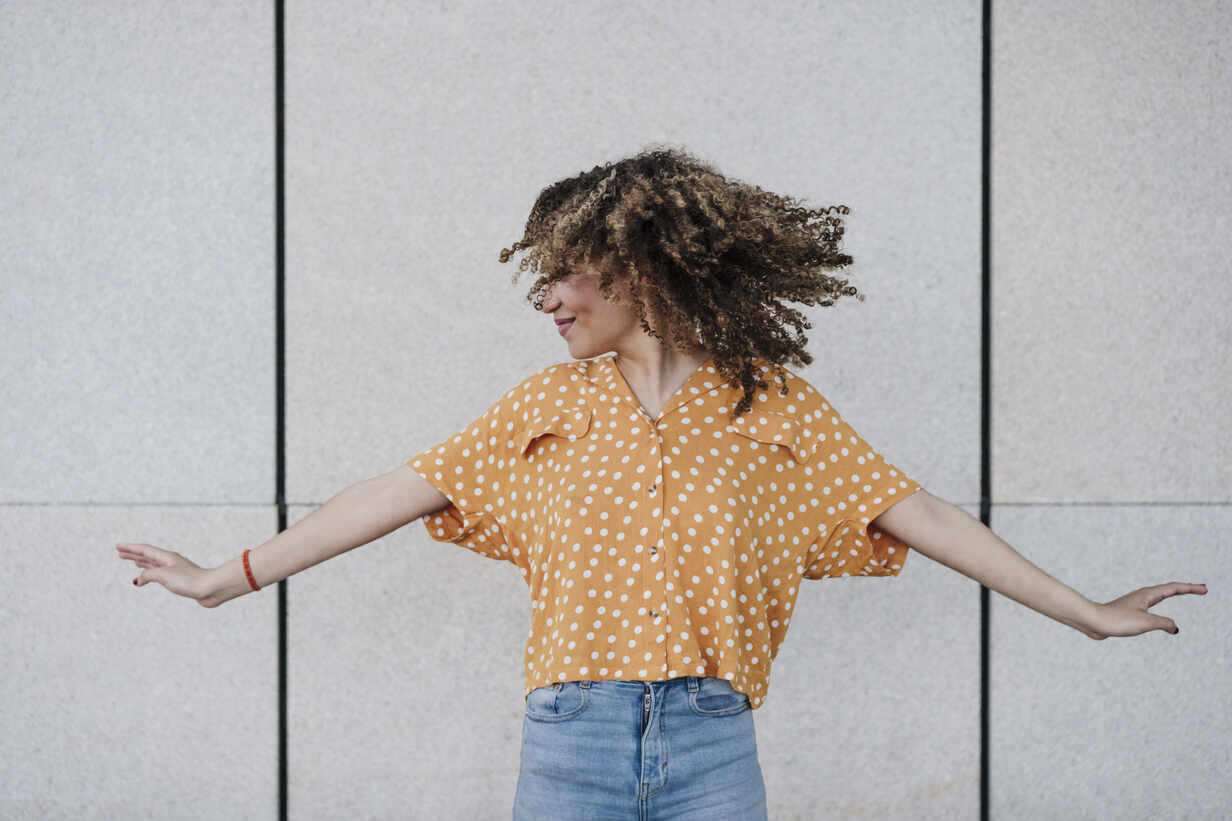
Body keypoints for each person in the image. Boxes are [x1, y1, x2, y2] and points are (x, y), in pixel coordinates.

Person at [116, 146, 1207, 820]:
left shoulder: (769, 404)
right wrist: (227, 577)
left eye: (566, 271)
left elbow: (920, 514)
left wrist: (1086, 615)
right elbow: (394, 490)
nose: (547, 296)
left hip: (712, 741)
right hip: (570, 741)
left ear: (639, 267)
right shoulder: (543, 402)